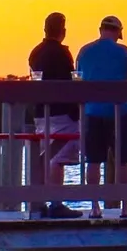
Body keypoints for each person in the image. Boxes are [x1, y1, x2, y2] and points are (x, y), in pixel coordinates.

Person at [76, 15, 127, 216]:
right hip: (119, 111)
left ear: (100, 29)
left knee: (93, 160)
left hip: (92, 112)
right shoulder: (123, 51)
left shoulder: (84, 51)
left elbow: (77, 78)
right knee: (123, 160)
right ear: (117, 32)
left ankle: (95, 207)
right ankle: (125, 206)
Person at [28, 12, 78, 216]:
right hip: (61, 111)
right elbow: (69, 81)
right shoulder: (61, 53)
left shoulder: (35, 52)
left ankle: (39, 203)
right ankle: (56, 204)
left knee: (45, 155)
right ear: (63, 31)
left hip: (41, 111)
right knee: (57, 157)